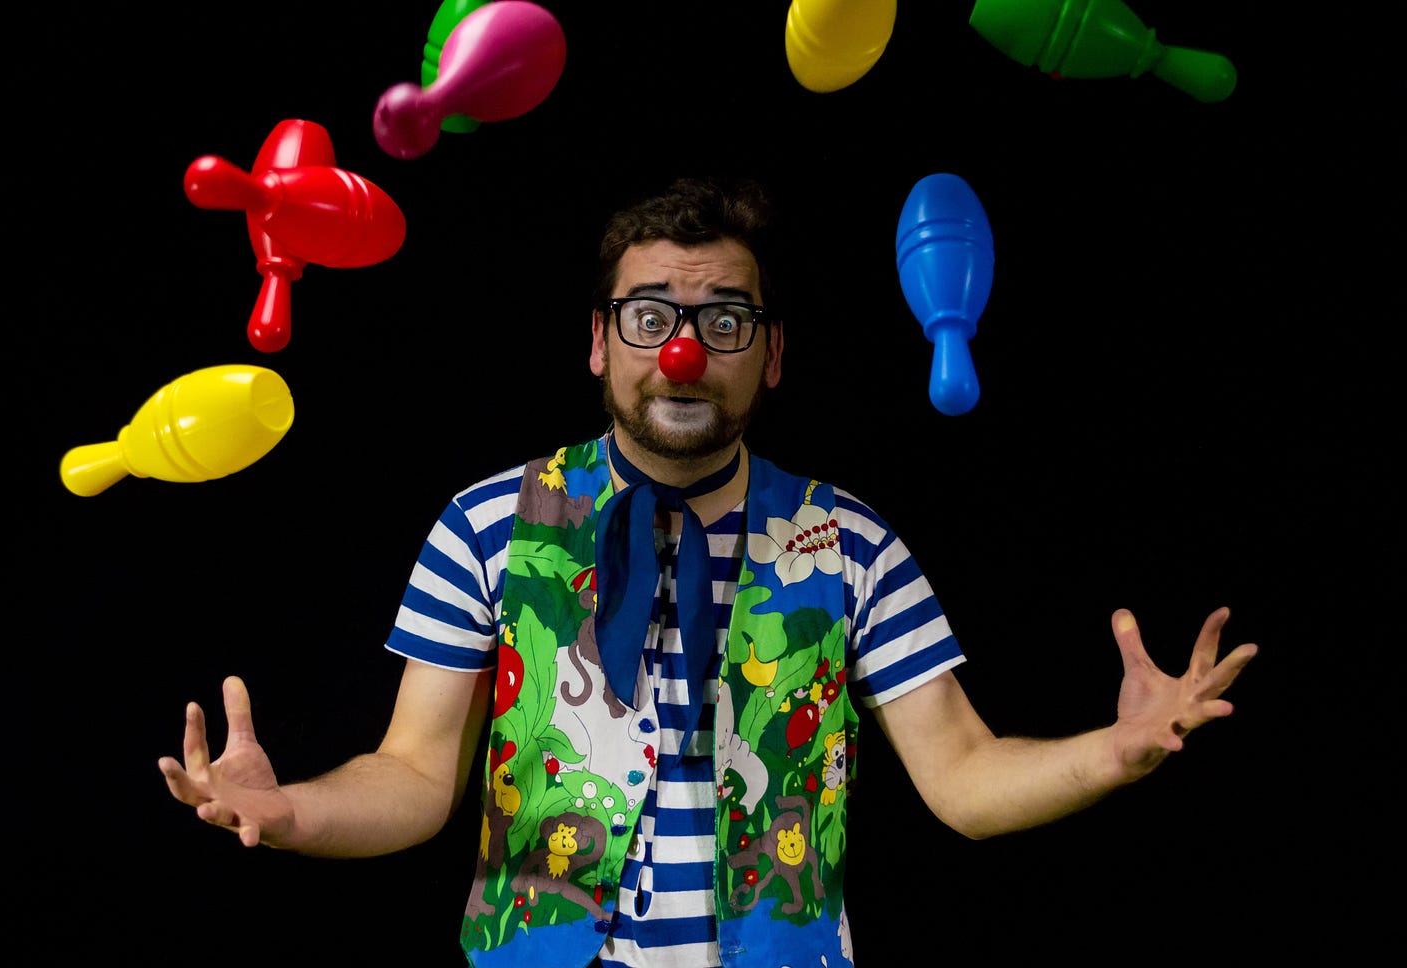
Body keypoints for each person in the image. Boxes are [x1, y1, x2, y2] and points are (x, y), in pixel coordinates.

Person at [158, 175, 1258, 968]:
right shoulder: (489, 522)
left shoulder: (849, 540)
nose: (683, 346)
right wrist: (294, 810)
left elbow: (965, 778)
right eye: (651, 316)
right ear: (600, 342)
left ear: (768, 354)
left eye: (722, 317)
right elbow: (409, 776)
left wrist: (1111, 755)